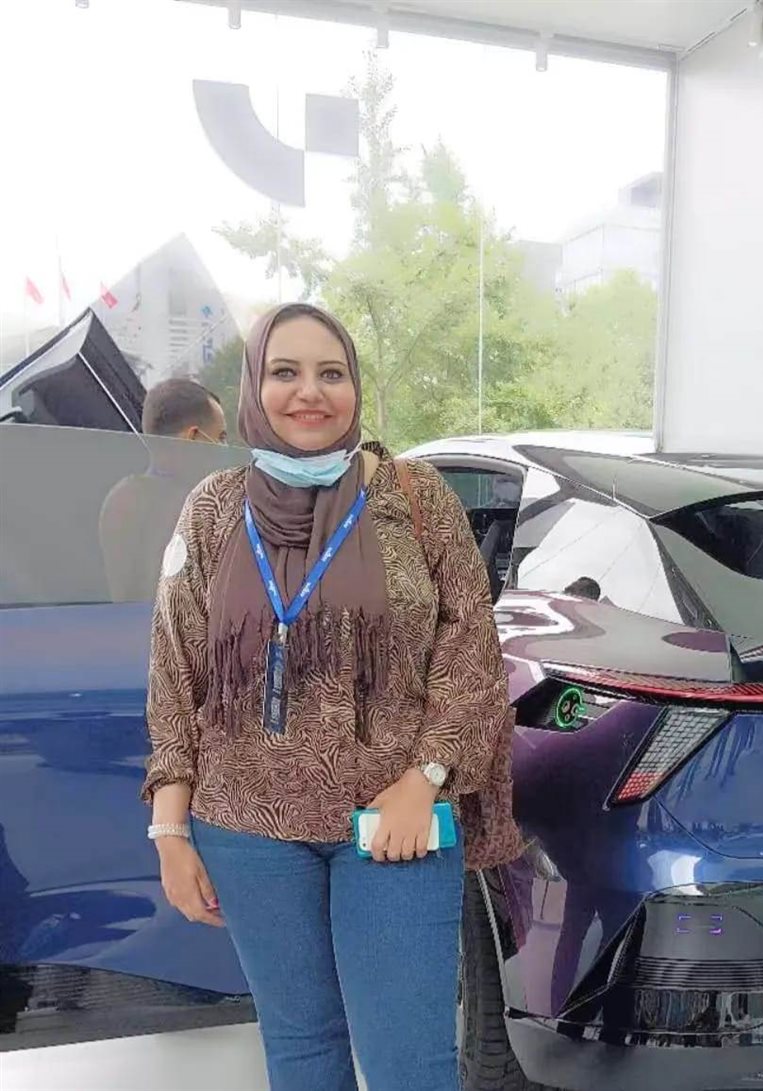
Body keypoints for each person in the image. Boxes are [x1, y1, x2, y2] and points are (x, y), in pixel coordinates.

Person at [141, 303, 522, 1091]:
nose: (309, 392)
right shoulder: (214, 508)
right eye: (285, 372)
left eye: (331, 372)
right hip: (248, 827)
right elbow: (175, 674)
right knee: (301, 1047)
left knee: (409, 1062)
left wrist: (427, 777)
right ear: (254, 387)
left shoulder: (415, 497)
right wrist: (170, 832)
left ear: (355, 386)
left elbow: (471, 652)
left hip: (394, 822)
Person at [99, 379, 229, 602]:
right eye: (221, 437)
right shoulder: (196, 509)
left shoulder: (119, 499)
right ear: (193, 438)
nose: (224, 448)